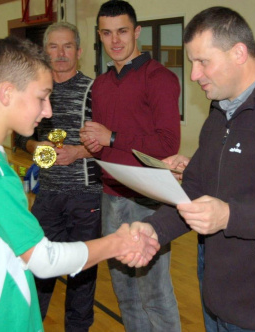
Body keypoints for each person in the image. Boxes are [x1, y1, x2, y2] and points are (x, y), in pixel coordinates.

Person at [130, 7, 255, 331]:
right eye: (192, 63)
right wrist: (154, 229)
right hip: (220, 304)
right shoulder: (219, 115)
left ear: (238, 53)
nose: (194, 75)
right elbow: (195, 187)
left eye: (203, 62)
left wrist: (229, 216)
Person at [0, 36, 159, 332]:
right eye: (42, 97)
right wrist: (117, 242)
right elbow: (43, 259)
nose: (48, 111)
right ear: (6, 93)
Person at [79, 1, 181, 330]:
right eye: (107, 33)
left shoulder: (160, 78)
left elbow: (167, 144)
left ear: (136, 32)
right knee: (124, 292)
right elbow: (109, 144)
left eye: (122, 31)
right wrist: (95, 144)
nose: (116, 41)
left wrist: (111, 138)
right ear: (99, 37)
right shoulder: (101, 85)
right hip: (111, 195)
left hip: (148, 200)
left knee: (154, 292)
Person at [14, 22, 102, 331]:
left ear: (78, 51)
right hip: (47, 197)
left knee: (82, 276)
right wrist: (36, 145)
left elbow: (112, 146)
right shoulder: (35, 90)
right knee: (36, 271)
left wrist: (78, 152)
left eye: (67, 46)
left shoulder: (96, 90)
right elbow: (18, 139)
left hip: (86, 197)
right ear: (44, 51)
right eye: (54, 46)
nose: (61, 53)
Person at [163, 155, 218, 332]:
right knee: (213, 322)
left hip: (252, 255)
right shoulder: (215, 128)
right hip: (208, 245)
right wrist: (196, 170)